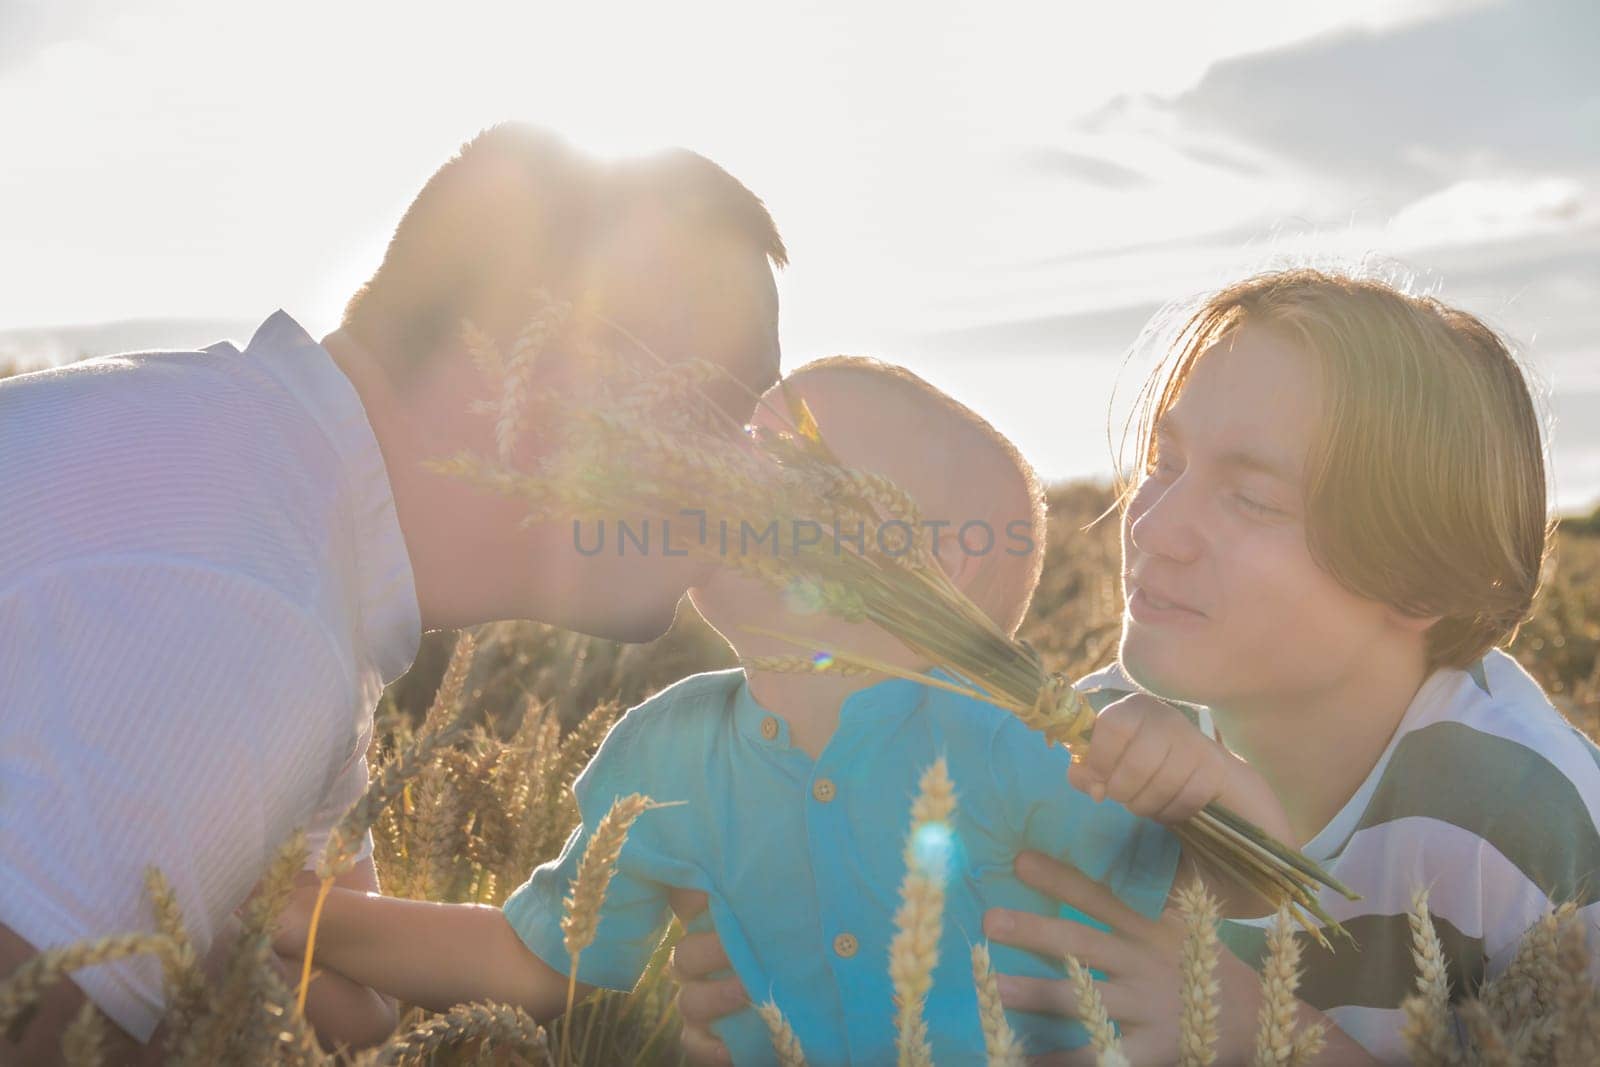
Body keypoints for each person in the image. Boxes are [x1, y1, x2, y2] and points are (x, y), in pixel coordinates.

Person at [0, 121, 787, 1064]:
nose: (757, 470)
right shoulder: (247, 595)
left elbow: (347, 1004)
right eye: (727, 407)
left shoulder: (259, 484)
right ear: (539, 386)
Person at [672, 266, 1600, 1065]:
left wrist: (1263, 1033)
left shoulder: (1525, 818)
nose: (1151, 529)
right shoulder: (1106, 738)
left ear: (1415, 575)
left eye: (1250, 498)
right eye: (1164, 461)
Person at [268, 356, 1296, 1062]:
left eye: (784, 455)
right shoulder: (666, 752)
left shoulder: (1012, 745)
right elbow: (532, 958)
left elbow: (1242, 893)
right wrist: (294, 916)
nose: (721, 472)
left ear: (920, 565)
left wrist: (1195, 774)